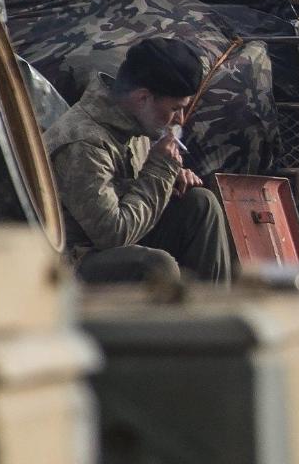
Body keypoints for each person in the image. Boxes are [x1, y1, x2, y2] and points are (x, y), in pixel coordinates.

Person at [47, 37, 238, 284]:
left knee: (200, 205)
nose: (181, 119)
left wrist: (171, 180)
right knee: (157, 266)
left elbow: (133, 189)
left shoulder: (137, 123)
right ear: (142, 98)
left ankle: (211, 316)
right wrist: (159, 171)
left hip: (118, 244)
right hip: (71, 262)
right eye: (174, 109)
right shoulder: (83, 141)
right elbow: (113, 234)